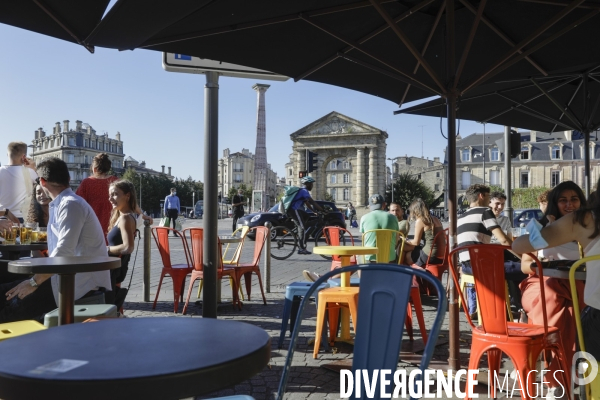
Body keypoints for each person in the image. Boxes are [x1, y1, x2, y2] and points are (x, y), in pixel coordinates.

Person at [0, 157, 111, 322]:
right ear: (69, 179)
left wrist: (32, 283)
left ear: (43, 183)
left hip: (75, 282)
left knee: (8, 309)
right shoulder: (64, 203)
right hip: (62, 276)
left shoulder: (70, 205)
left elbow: (62, 254)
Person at [515, 181, 586, 395]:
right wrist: (541, 265)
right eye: (563, 200)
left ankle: (557, 376)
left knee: (567, 305)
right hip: (542, 283)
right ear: (555, 203)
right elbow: (525, 265)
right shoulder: (542, 227)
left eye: (574, 199)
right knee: (553, 295)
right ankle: (560, 377)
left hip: (575, 283)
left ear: (581, 202)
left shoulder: (588, 227)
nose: (569, 204)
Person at [457, 184, 512, 318]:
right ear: (481, 196)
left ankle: (502, 309)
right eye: (489, 197)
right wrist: (524, 254)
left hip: (465, 266)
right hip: (481, 266)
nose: (489, 201)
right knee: (523, 269)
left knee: (513, 267)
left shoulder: (461, 217)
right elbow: (504, 241)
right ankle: (518, 311)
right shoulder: (485, 211)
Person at [488, 191, 527, 312]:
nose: (500, 207)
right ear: (489, 203)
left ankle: (519, 304)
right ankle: (518, 305)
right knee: (518, 269)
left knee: (521, 267)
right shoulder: (484, 217)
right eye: (497, 203)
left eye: (503, 204)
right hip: (490, 254)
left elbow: (510, 240)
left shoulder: (505, 220)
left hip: (504, 252)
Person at [107, 180, 138, 308]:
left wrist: (106, 249)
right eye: (110, 195)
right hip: (114, 270)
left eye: (115, 194)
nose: (110, 198)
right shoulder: (121, 216)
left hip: (113, 271)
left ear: (127, 195)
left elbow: (128, 247)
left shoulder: (125, 218)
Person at [76, 153, 119, 235]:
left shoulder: (86, 183)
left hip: (92, 229)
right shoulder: (116, 182)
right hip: (114, 228)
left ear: (94, 169)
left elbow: (77, 205)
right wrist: (142, 215)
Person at [0, 142, 38, 222]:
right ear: (24, 156)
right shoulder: (30, 172)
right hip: (23, 217)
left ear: (7, 154)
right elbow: (41, 188)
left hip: (2, 217)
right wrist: (34, 168)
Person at [402, 198, 446, 268]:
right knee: (414, 250)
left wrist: (404, 240)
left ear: (415, 210)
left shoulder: (421, 220)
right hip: (442, 255)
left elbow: (416, 242)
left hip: (431, 255)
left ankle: (416, 272)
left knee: (406, 255)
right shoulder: (435, 218)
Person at [287, 176, 324, 255]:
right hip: (294, 210)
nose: (312, 186)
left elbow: (307, 203)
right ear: (307, 184)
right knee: (302, 228)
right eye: (311, 184)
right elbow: (312, 202)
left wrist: (314, 211)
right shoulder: (304, 191)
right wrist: (322, 210)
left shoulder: (303, 191)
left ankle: (300, 229)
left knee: (307, 216)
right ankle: (301, 248)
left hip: (296, 210)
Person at [360, 194, 399, 263]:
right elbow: (396, 240)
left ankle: (363, 274)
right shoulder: (394, 218)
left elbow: (364, 240)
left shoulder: (364, 218)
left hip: (370, 259)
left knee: (359, 258)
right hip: (390, 259)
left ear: (370, 206)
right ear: (384, 205)